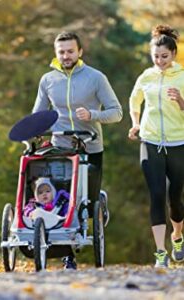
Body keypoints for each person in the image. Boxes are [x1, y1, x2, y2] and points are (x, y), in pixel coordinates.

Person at [33, 31, 123, 269]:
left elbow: (116, 112)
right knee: (61, 200)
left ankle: (99, 200)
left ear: (80, 52)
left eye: (70, 51)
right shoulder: (48, 80)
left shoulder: (96, 78)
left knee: (88, 201)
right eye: (61, 52)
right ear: (56, 53)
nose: (66, 56)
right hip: (60, 148)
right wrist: (34, 131)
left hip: (90, 146)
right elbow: (38, 114)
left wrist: (93, 115)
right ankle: (68, 256)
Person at [128, 24, 184, 268]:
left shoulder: (182, 76)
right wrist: (136, 123)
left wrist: (181, 101)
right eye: (156, 57)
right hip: (150, 141)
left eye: (164, 56)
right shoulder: (146, 76)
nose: (160, 61)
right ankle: (160, 252)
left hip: (178, 142)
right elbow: (134, 100)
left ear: (173, 55)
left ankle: (177, 236)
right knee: (157, 194)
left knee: (175, 197)